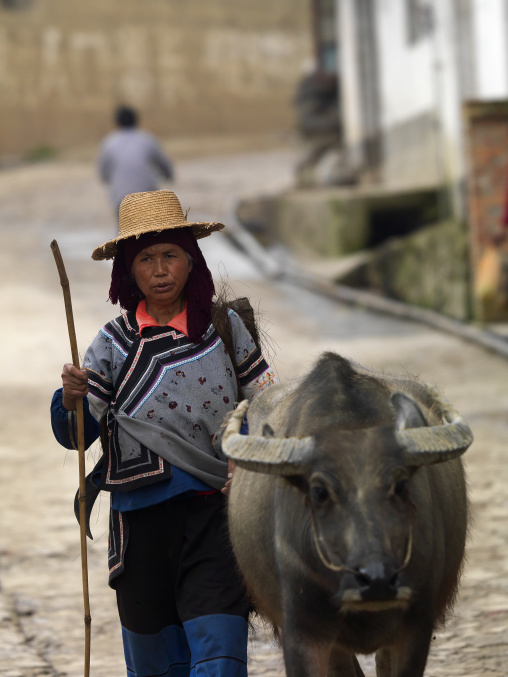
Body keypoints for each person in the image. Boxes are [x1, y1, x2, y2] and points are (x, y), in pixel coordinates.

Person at [50, 190, 276, 677]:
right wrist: (70, 398)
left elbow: (265, 404)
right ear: (127, 271)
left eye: (170, 255)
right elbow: (76, 434)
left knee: (220, 655)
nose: (159, 269)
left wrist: (250, 456)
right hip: (140, 527)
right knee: (156, 666)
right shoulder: (111, 344)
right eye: (145, 259)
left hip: (215, 513)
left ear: (191, 262)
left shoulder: (224, 328)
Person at [98, 106, 174, 215]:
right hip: (148, 196)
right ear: (136, 121)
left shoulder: (109, 143)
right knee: (152, 228)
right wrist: (168, 176)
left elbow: (103, 172)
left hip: (121, 199)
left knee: (125, 229)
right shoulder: (147, 139)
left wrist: (110, 180)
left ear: (117, 123)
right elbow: (163, 164)